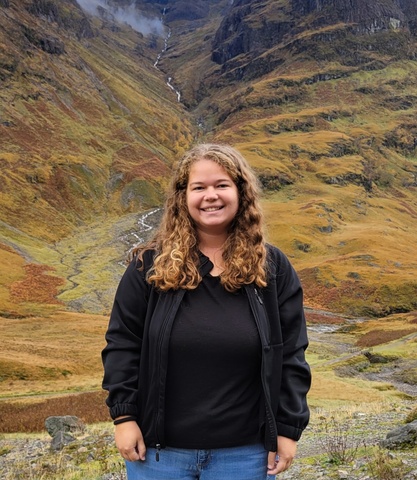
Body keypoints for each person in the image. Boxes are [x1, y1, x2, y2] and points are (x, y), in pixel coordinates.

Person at [102, 143, 311, 480]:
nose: (210, 196)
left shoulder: (272, 268)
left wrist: (287, 429)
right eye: (198, 187)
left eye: (221, 185)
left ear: (241, 193)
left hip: (246, 454)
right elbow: (123, 344)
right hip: (158, 454)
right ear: (182, 197)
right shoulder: (148, 266)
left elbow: (291, 354)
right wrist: (124, 417)